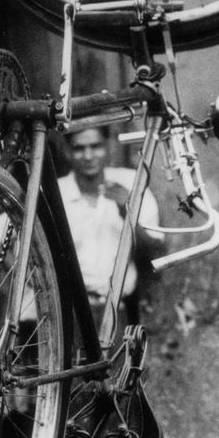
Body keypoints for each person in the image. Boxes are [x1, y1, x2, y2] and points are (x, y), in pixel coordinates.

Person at [61, 122, 162, 336]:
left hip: (120, 312)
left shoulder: (131, 182)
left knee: (120, 368)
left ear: (108, 146)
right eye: (79, 148)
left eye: (96, 146)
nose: (88, 156)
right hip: (69, 316)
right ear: (67, 151)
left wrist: (128, 212)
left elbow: (155, 251)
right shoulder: (55, 192)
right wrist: (38, 281)